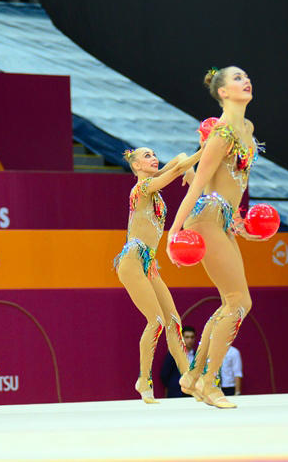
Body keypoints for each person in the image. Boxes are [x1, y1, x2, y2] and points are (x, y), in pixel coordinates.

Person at [168, 66, 264, 409]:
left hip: (223, 219)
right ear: (223, 92)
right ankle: (209, 383)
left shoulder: (247, 129)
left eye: (245, 76)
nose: (245, 80)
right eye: (237, 78)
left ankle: (193, 377)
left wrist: (238, 221)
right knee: (239, 302)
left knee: (232, 301)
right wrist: (174, 231)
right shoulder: (222, 132)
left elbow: (235, 184)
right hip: (205, 218)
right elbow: (200, 183)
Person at [117, 146, 203, 403]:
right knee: (155, 321)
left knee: (173, 321)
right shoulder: (141, 189)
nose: (153, 158)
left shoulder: (153, 183)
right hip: (132, 260)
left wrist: (188, 167)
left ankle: (188, 379)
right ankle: (144, 379)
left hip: (149, 264)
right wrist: (207, 149)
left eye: (154, 154)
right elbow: (176, 167)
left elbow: (176, 161)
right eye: (147, 156)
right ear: (136, 167)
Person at [159, 324, 197, 398]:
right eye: (187, 337)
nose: (190, 340)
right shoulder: (174, 354)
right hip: (177, 393)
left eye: (192, 337)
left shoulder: (197, 355)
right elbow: (164, 374)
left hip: (193, 393)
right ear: (182, 338)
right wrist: (173, 385)